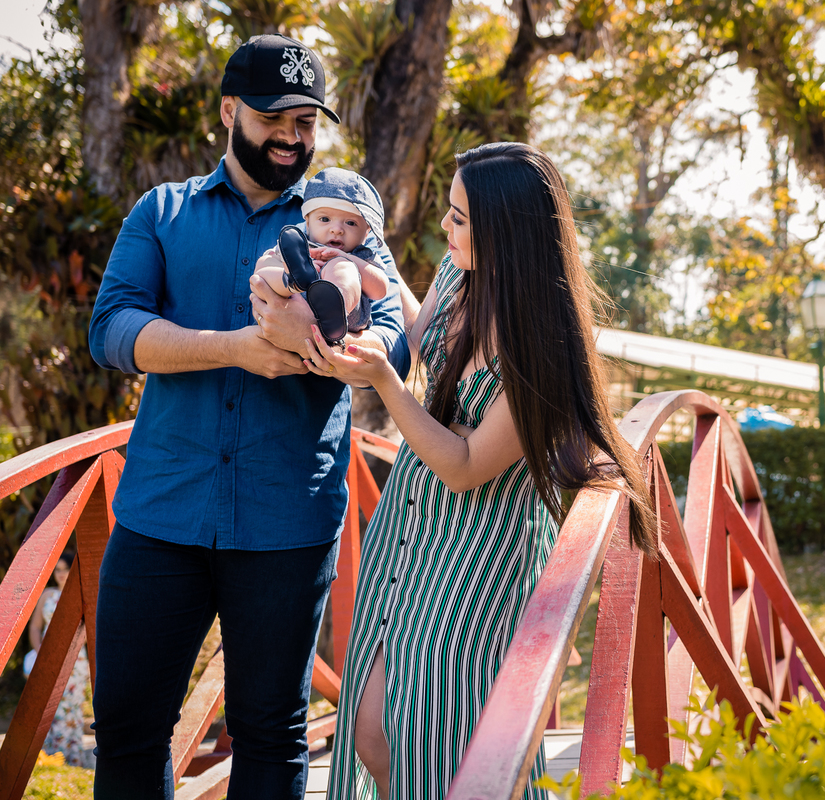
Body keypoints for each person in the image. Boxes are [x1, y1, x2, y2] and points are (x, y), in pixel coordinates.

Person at [87, 33, 412, 800]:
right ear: (229, 111)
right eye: (275, 119)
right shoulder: (162, 212)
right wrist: (235, 347)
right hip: (159, 514)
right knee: (130, 732)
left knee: (271, 734)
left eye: (307, 123)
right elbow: (111, 330)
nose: (293, 138)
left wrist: (351, 345)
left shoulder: (344, 221)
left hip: (286, 526)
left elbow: (393, 326)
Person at [310, 142, 658, 799]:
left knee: (441, 734)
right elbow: (426, 339)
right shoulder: (457, 274)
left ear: (506, 231)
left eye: (460, 219)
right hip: (410, 527)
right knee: (371, 729)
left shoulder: (540, 344)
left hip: (479, 547)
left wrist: (383, 381)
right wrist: (354, 265)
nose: (446, 229)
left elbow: (467, 465)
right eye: (448, 213)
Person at [255, 167, 391, 344]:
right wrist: (279, 264)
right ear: (308, 223)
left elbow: (380, 289)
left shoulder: (360, 254)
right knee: (266, 262)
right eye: (325, 219)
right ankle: (292, 279)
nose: (336, 229)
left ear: (367, 233)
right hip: (290, 301)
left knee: (342, 267)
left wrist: (346, 258)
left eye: (350, 223)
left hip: (342, 319)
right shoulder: (299, 245)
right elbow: (258, 276)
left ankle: (335, 306)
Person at [26, 554, 91, 767]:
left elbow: (90, 629)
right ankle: (48, 760)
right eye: (58, 569)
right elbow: (35, 627)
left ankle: (71, 761)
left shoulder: (80, 594)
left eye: (66, 569)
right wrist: (40, 652)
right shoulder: (47, 595)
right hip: (47, 660)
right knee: (46, 710)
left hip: (75, 662)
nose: (61, 573)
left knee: (70, 711)